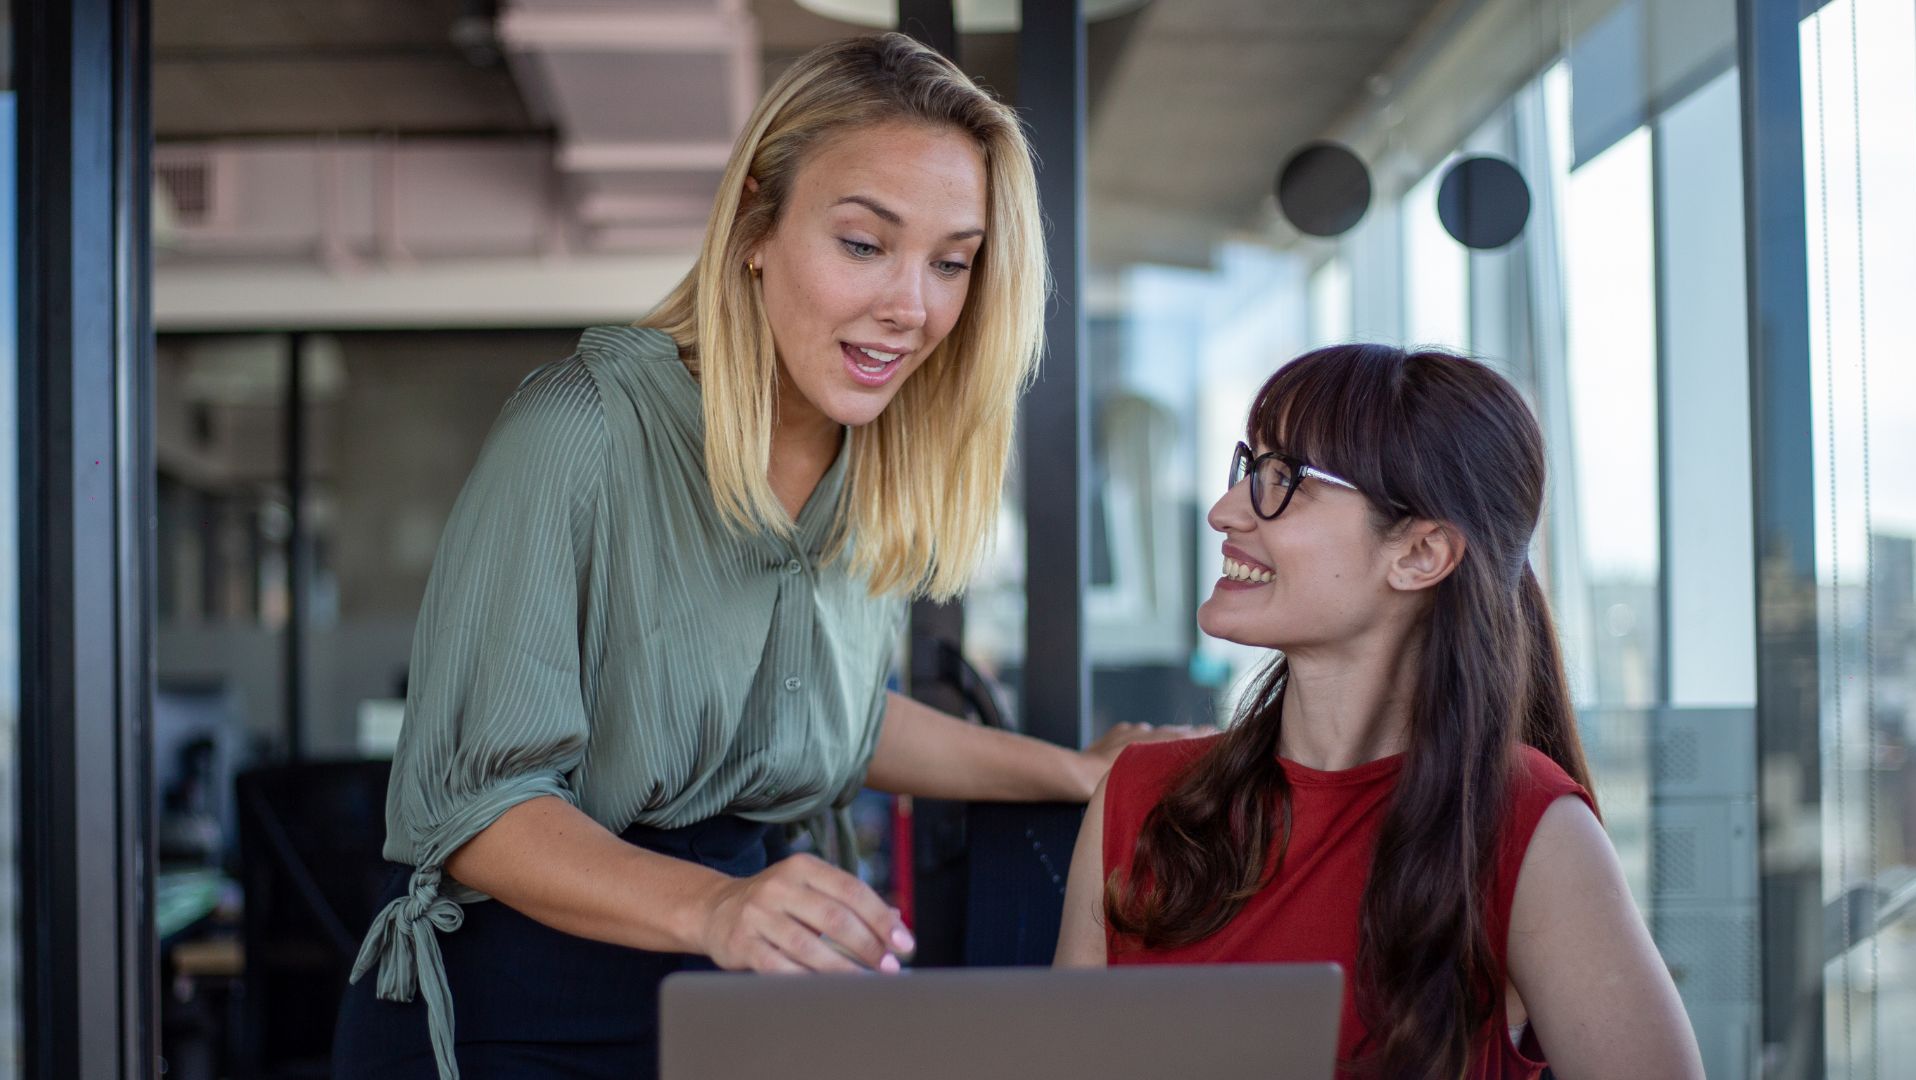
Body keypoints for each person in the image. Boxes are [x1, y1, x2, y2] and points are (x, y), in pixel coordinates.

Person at [332, 33, 1196, 1080]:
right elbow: (475, 808)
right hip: (519, 1007)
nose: (912, 306)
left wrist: (1075, 772)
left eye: (951, 262)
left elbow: (832, 717)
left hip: (729, 995)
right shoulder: (583, 432)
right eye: (865, 244)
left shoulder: (866, 464)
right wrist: (720, 906)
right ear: (755, 225)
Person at [1054, 345, 1706, 1080]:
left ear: (1421, 554)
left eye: (1284, 480)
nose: (1224, 510)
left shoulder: (1525, 824)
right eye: (1250, 467)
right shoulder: (1140, 797)